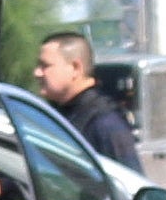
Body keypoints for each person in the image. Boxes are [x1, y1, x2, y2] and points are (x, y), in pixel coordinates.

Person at [31, 30, 140, 172]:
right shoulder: (61, 113)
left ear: (76, 68)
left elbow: (130, 183)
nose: (37, 72)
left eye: (45, 66)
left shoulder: (104, 122)